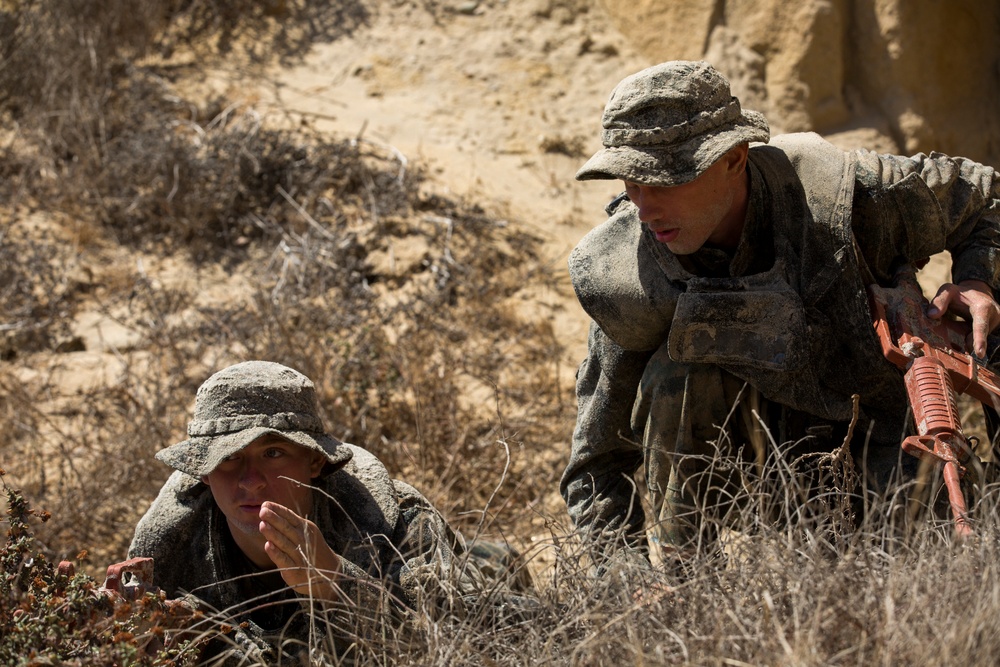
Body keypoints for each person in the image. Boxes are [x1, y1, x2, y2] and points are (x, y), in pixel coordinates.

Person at [561, 60, 1000, 579]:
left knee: (928, 576)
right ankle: (691, 588)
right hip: (758, 479)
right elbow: (595, 466)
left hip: (892, 440)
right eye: (633, 180)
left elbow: (986, 197)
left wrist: (979, 279)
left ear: (733, 159)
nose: (645, 204)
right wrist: (624, 594)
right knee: (673, 378)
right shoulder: (630, 276)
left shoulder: (848, 197)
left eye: (667, 179)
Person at [129, 360, 530, 663]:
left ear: (315, 462)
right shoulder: (169, 547)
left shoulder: (393, 519)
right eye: (228, 458)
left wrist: (335, 583)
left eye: (273, 453)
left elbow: (460, 638)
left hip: (457, 575)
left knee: (500, 575)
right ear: (202, 472)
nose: (250, 480)